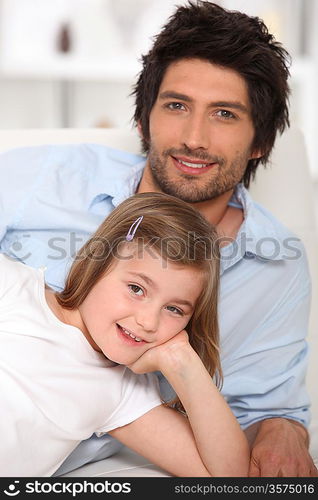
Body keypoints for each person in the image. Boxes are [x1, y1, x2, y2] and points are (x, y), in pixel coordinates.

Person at [0, 1, 316, 477]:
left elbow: (263, 412)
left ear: (260, 142)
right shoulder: (48, 179)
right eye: (176, 105)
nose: (194, 137)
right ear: (144, 118)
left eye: (225, 114)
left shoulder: (278, 264)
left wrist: (283, 427)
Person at [0, 192, 250, 477]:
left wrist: (181, 361)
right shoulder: (13, 288)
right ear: (96, 264)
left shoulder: (123, 392)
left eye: (173, 309)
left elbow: (229, 476)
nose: (148, 321)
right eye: (136, 289)